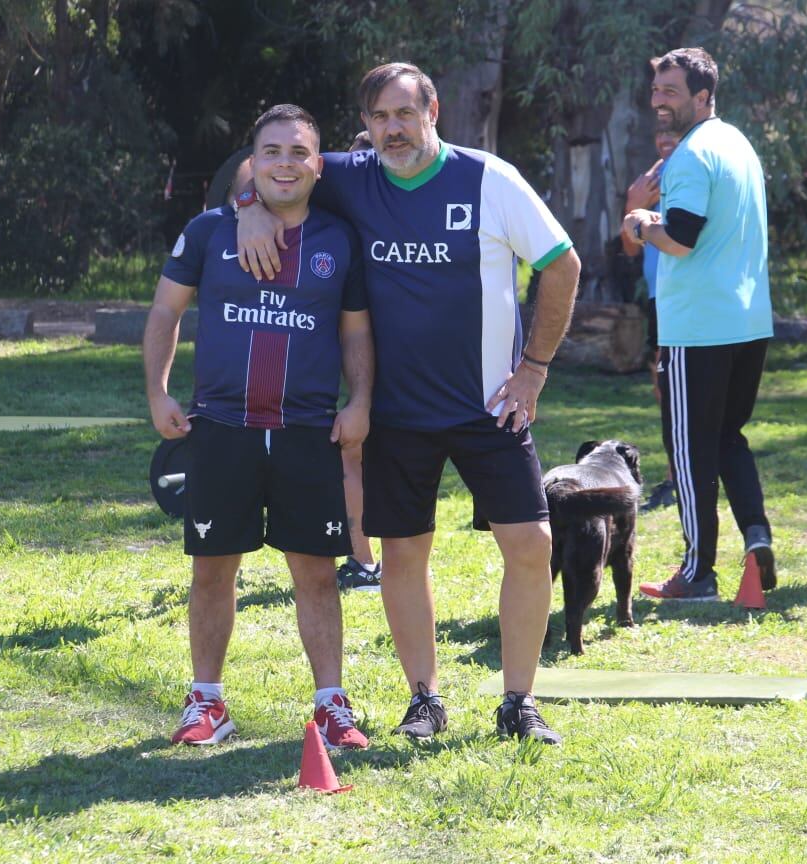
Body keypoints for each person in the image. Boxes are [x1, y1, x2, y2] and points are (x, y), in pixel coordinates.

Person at [237, 63, 581, 744]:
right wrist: (250, 209)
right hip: (396, 410)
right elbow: (262, 167)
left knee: (532, 544)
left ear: (433, 112)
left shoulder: (488, 178)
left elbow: (562, 264)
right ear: (364, 127)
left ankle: (520, 701)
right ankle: (424, 699)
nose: (391, 129)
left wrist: (533, 370)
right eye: (377, 117)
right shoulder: (352, 175)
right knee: (402, 556)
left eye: (403, 113)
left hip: (491, 407)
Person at [143, 104, 375, 750]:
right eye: (271, 152)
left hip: (306, 430)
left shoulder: (337, 239)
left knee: (318, 573)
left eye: (298, 153)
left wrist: (359, 402)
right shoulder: (209, 231)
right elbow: (166, 312)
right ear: (253, 162)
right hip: (221, 426)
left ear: (317, 165)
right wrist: (158, 391)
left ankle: (331, 704)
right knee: (213, 570)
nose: (285, 164)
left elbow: (355, 329)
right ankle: (207, 702)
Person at [621, 48, 777, 602]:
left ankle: (697, 572)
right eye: (656, 89)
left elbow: (680, 239)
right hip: (749, 321)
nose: (659, 100)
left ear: (703, 96)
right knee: (728, 438)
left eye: (671, 91)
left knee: (689, 452)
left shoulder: (689, 155)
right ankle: (757, 537)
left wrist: (641, 223)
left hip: (699, 329)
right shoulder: (737, 142)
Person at [619, 129, 680, 514]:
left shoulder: (691, 173)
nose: (664, 139)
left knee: (677, 390)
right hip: (660, 297)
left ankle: (682, 478)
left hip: (685, 296)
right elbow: (628, 247)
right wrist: (633, 202)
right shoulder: (651, 178)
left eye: (673, 131)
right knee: (665, 389)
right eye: (659, 132)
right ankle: (678, 476)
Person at [334, 128, 383, 593]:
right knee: (356, 454)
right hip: (356, 344)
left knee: (356, 455)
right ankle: (365, 558)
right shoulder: (341, 213)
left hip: (383, 348)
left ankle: (366, 562)